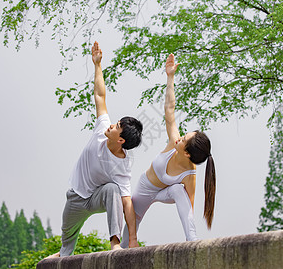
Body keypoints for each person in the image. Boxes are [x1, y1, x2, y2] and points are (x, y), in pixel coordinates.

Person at [46, 41, 143, 258]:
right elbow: (100, 96)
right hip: (76, 197)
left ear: (121, 141)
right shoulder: (102, 129)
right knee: (66, 242)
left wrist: (134, 239)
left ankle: (115, 243)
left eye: (117, 127)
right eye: (116, 122)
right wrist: (97, 64)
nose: (111, 125)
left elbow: (127, 203)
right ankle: (62, 255)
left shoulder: (122, 165)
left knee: (113, 190)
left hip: (96, 197)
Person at [120, 53, 216, 247]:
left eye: (183, 139)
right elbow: (169, 110)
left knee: (179, 191)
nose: (179, 138)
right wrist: (170, 77)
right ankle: (120, 250)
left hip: (167, 193)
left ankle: (192, 242)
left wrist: (191, 233)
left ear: (187, 153)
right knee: (130, 227)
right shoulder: (174, 143)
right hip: (147, 187)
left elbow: (187, 209)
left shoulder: (190, 175)